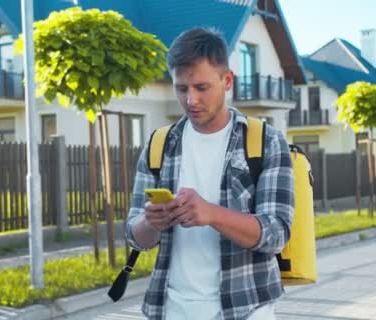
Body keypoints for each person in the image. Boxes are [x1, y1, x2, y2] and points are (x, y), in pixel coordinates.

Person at [125, 27, 294, 320]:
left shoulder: (265, 141)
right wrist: (151, 221)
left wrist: (211, 214)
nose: (191, 100)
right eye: (181, 89)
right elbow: (134, 236)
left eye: (201, 88)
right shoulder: (158, 144)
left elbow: (277, 234)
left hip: (247, 307)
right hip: (171, 308)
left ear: (227, 80)